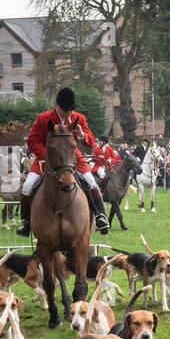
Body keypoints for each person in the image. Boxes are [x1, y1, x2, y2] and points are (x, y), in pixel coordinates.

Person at [17, 87, 109, 235]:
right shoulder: (43, 118)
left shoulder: (79, 118)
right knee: (27, 186)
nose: (69, 113)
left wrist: (81, 134)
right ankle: (25, 222)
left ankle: (100, 216)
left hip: (73, 159)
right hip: (46, 160)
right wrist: (49, 155)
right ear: (57, 106)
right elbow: (32, 141)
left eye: (71, 110)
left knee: (91, 182)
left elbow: (91, 142)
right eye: (65, 110)